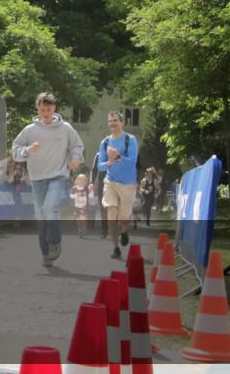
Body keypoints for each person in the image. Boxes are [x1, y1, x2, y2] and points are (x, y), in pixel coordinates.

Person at [11, 92, 84, 266]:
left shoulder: (65, 128)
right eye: (42, 109)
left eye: (49, 109)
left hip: (58, 176)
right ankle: (46, 252)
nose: (45, 112)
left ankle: (55, 243)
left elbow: (78, 146)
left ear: (54, 109)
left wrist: (75, 158)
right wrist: (27, 150)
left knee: (50, 207)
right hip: (37, 179)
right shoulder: (29, 130)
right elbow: (15, 152)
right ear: (38, 109)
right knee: (41, 216)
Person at [96, 110, 140, 260]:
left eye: (115, 120)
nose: (113, 123)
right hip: (111, 182)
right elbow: (100, 166)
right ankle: (115, 248)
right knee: (111, 212)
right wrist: (109, 162)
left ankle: (125, 230)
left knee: (123, 217)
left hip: (128, 184)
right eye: (110, 121)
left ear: (122, 122)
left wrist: (118, 156)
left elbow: (133, 162)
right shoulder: (105, 142)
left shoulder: (130, 139)